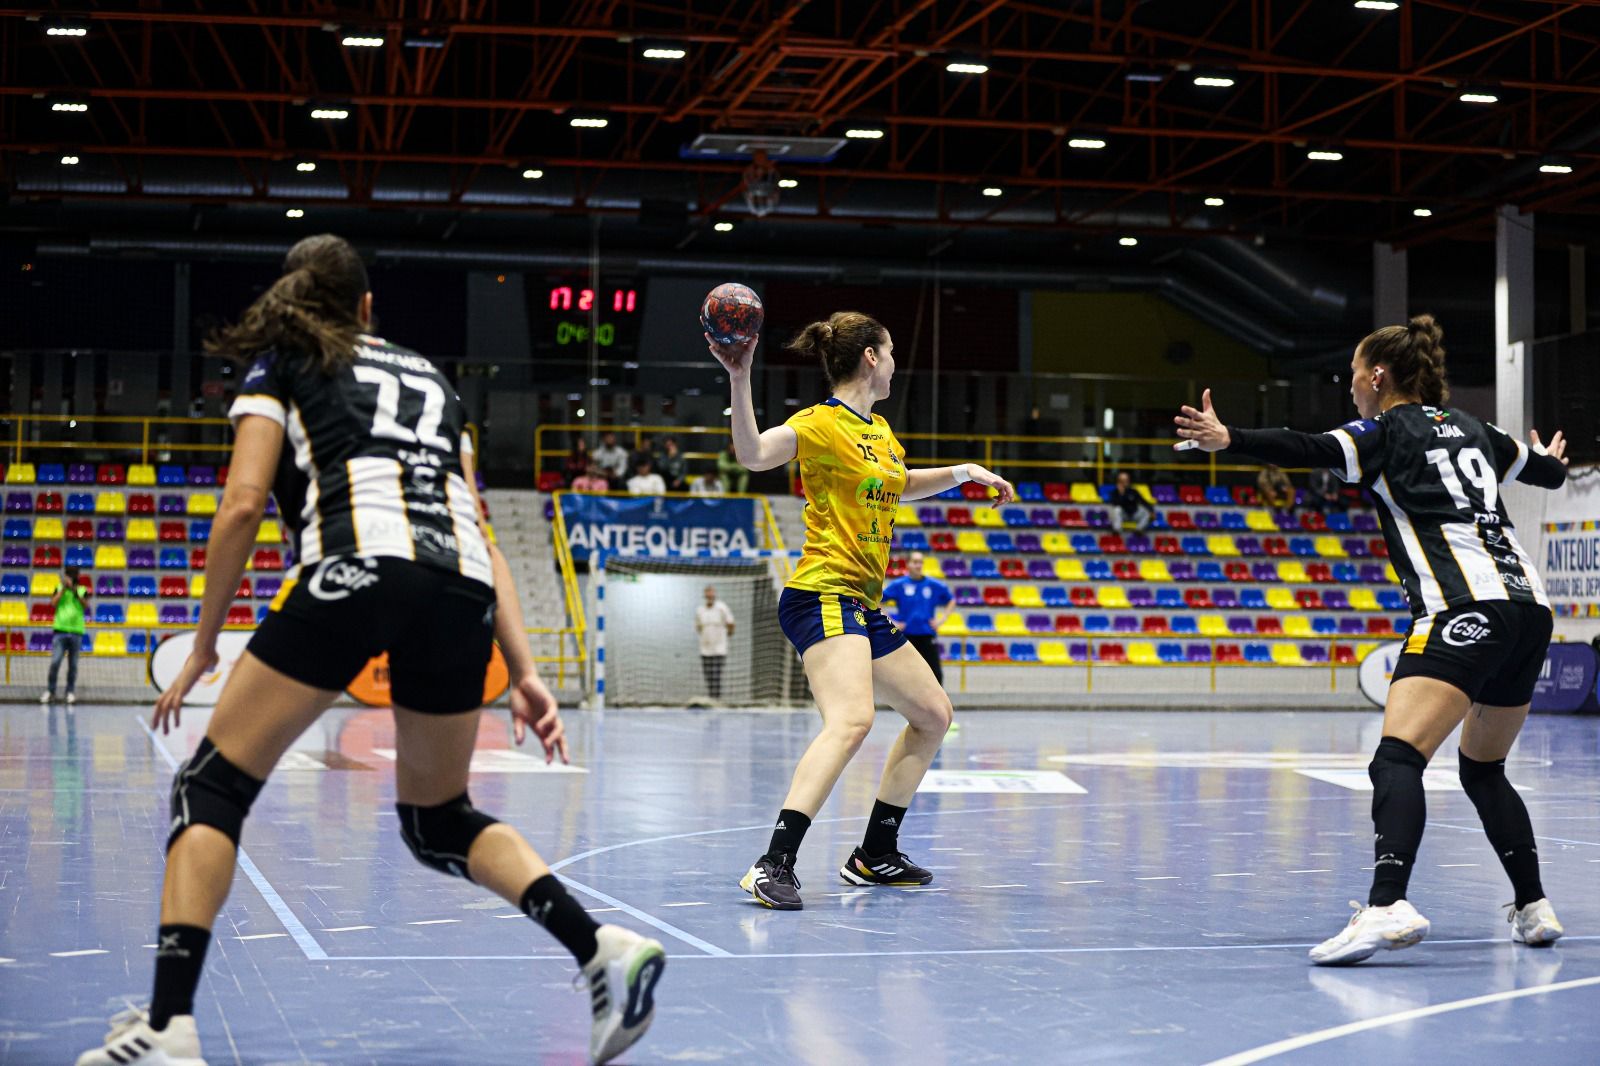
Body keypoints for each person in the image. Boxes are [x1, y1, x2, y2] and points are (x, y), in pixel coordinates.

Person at [74, 235, 664, 1066]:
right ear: (366, 307)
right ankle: (599, 945)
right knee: (439, 819)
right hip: (462, 585)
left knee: (210, 786)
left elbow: (242, 504)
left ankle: (169, 1026)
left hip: (358, 565)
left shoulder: (283, 363)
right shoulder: (430, 377)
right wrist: (526, 671)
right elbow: (480, 530)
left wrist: (204, 645)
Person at [1174, 314, 1570, 966]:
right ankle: (1534, 907)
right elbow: (1547, 474)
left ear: (1378, 376)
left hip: (1461, 607)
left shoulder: (1384, 431)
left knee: (1396, 759)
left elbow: (1306, 448)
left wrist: (1230, 438)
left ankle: (1388, 906)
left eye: (1354, 375)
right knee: (1482, 768)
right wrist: (1551, 463)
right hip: (1529, 611)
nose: (1352, 386)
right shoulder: (1478, 429)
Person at [707, 310, 1014, 910]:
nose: (896, 363)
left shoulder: (881, 432)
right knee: (851, 720)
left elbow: (900, 484)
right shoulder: (819, 423)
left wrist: (963, 473)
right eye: (891, 351)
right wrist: (740, 378)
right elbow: (754, 454)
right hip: (821, 593)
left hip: (860, 603)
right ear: (871, 357)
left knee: (932, 714)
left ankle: (875, 853)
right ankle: (774, 862)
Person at [880, 551, 954, 685]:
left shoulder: (933, 584)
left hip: (927, 634)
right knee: (904, 673)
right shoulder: (899, 584)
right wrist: (892, 622)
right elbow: (877, 600)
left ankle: (936, 699)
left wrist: (941, 620)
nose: (918, 565)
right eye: (915, 562)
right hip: (906, 636)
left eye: (920, 562)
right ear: (908, 564)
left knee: (936, 673)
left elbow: (951, 600)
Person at [41, 565, 91, 704]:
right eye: (68, 575)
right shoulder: (59, 588)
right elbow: (53, 603)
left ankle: (70, 692)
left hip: (76, 632)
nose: (70, 577)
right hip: (60, 631)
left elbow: (85, 605)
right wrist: (63, 589)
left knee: (73, 665)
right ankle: (51, 691)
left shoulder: (82, 590)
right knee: (55, 662)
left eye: (73, 575)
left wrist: (75, 591)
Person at [694, 586, 736, 700]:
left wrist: (726, 636)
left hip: (719, 649)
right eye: (708, 594)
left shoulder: (722, 608)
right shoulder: (700, 610)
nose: (710, 596)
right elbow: (698, 627)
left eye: (711, 594)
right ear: (705, 596)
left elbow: (731, 623)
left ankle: (716, 698)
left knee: (716, 674)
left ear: (714, 595)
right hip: (705, 649)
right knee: (708, 675)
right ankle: (711, 697)